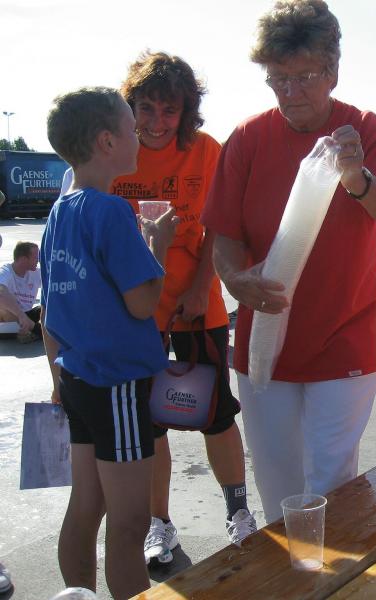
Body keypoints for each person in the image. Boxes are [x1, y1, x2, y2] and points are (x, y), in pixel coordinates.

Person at [202, 0, 376, 523]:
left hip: (345, 338)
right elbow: (223, 234)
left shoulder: (363, 129)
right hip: (265, 343)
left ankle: (326, 567)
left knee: (330, 485)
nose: (290, 92)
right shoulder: (247, 138)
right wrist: (235, 279)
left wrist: (357, 178)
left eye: (304, 77)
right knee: (277, 488)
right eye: (278, 79)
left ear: (333, 71)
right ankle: (291, 565)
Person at [111, 50, 256, 564]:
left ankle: (239, 511)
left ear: (185, 112)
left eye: (168, 110)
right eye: (146, 108)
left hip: (196, 303)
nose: (156, 122)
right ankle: (160, 524)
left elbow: (220, 225)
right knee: (149, 422)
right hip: (134, 310)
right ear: (130, 107)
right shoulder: (116, 151)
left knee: (215, 413)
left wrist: (200, 285)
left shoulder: (205, 151)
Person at [42, 87, 176, 599]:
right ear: (106, 141)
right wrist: (157, 247)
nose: (139, 136)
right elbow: (142, 303)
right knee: (130, 520)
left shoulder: (59, 212)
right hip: (117, 383)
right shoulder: (111, 211)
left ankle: (78, 593)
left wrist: (57, 376)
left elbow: (51, 313)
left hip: (77, 378)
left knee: (86, 505)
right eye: (131, 128)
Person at [0, 241, 43, 342]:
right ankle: (35, 330)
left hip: (24, 318)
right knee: (3, 307)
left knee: (45, 307)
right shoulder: (6, 271)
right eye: (36, 257)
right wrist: (21, 315)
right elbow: (1, 292)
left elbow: (56, 285)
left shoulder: (36, 273)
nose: (39, 260)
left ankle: (31, 331)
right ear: (24, 259)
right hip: (7, 323)